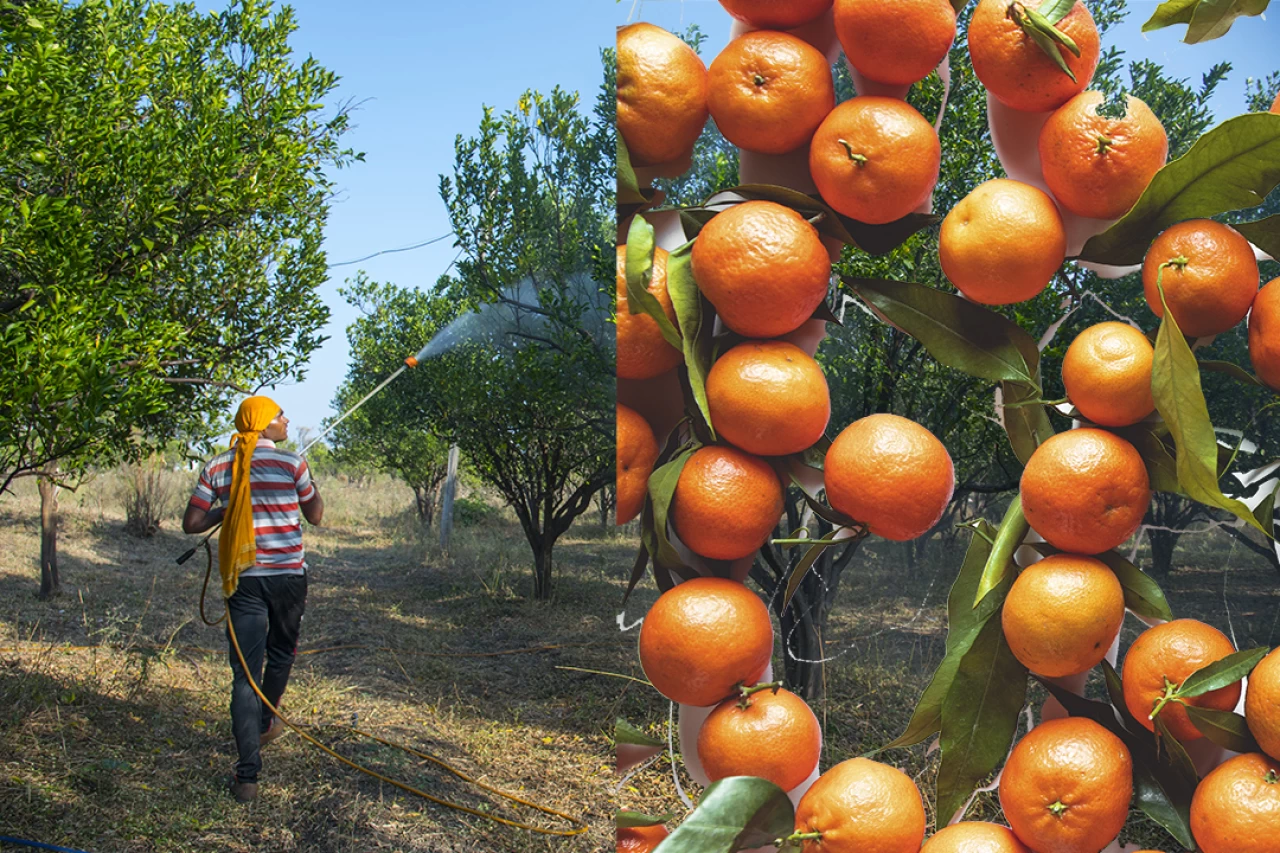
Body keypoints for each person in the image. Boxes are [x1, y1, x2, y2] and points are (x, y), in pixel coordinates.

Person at [182, 395, 324, 803]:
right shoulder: (293, 464)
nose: (286, 420)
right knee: (281, 656)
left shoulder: (217, 466)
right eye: (279, 415)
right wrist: (309, 486)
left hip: (243, 580)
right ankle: (265, 721)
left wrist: (228, 510)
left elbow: (192, 522)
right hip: (287, 579)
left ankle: (247, 778)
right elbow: (314, 514)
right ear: (262, 424)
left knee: (245, 674)